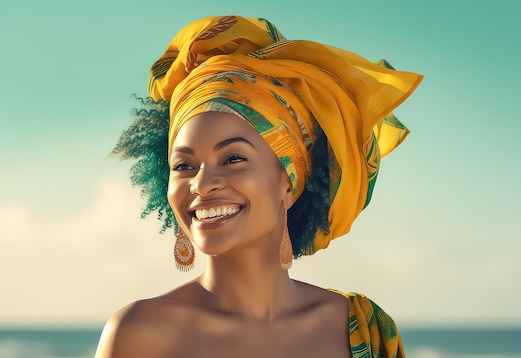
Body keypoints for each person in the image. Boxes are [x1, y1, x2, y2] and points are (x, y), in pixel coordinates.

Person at [95, 15, 422, 358]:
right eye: (184, 166)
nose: (202, 184)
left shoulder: (362, 329)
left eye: (234, 159)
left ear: (290, 184)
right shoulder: (139, 336)